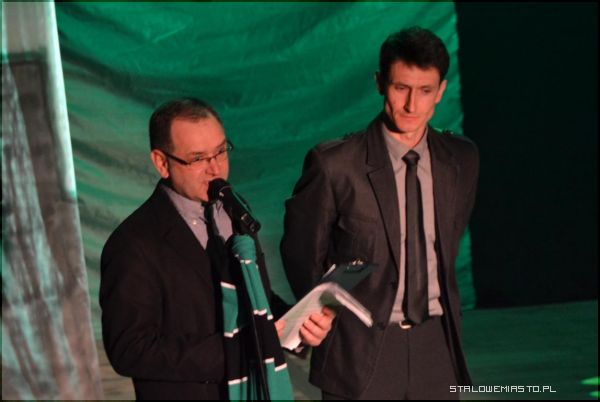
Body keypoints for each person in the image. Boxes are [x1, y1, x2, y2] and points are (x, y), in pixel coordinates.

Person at [281, 26, 479, 400]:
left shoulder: (462, 158)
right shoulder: (335, 164)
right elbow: (301, 254)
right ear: (379, 83)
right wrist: (323, 315)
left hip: (437, 346)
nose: (412, 105)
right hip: (358, 349)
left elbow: (447, 241)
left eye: (425, 91)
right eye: (401, 88)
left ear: (441, 91)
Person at [100, 98, 335, 400]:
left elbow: (253, 295)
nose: (216, 169)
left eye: (221, 151)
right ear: (161, 163)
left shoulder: (235, 211)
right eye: (198, 158)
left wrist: (297, 326)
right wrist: (237, 351)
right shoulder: (133, 243)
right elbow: (129, 350)